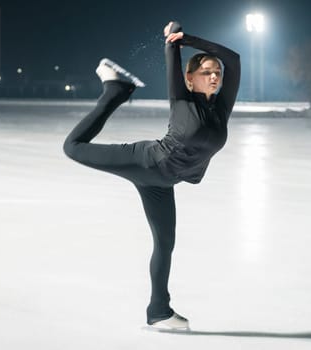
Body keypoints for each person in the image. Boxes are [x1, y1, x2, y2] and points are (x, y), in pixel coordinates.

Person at [63, 21, 240, 330]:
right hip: (146, 162)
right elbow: (171, 47)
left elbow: (234, 59)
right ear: (189, 78)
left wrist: (195, 40)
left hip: (163, 182)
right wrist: (178, 39)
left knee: (165, 243)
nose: (214, 76)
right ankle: (114, 92)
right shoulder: (182, 100)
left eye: (217, 73)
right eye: (206, 72)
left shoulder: (221, 109)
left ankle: (158, 310)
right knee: (73, 147)